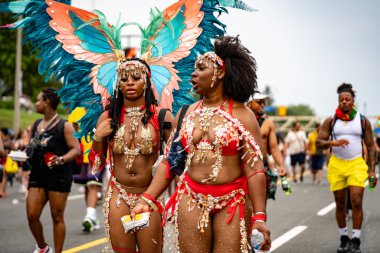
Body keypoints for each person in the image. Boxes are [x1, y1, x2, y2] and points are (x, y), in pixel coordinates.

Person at [132, 36, 271, 253]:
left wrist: (260, 216)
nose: (193, 74)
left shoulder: (243, 115)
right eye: (194, 69)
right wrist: (147, 198)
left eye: (201, 68)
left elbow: (254, 170)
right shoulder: (186, 113)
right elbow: (171, 162)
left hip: (232, 202)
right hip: (191, 198)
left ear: (221, 72)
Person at [90, 58, 174, 252]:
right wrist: (97, 138)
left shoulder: (162, 117)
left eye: (136, 78)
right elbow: (96, 165)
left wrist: (176, 200)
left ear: (146, 82)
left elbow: (175, 163)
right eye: (124, 78)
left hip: (149, 195)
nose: (129, 82)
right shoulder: (108, 117)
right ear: (117, 84)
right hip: (118, 194)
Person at [316, 83, 377, 253]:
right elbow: (318, 143)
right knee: (340, 203)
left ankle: (356, 239)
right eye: (341, 99)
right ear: (338, 101)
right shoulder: (330, 120)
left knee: (356, 200)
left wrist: (372, 171)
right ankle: (344, 238)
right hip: (336, 164)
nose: (344, 102)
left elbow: (371, 147)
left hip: (356, 164)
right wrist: (332, 142)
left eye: (347, 99)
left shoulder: (363, 121)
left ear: (353, 101)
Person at [26, 88, 81, 253]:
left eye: (38, 100)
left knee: (57, 217)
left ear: (46, 102)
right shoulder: (37, 125)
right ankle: (43, 247)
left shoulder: (64, 125)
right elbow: (31, 148)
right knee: (32, 215)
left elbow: (76, 149)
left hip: (59, 176)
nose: (36, 103)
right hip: (38, 174)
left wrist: (61, 159)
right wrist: (22, 155)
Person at [246, 93, 287, 199]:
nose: (263, 105)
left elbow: (274, 148)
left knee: (261, 202)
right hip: (244, 167)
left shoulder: (268, 124)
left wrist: (281, 165)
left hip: (262, 165)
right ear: (249, 103)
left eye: (264, 102)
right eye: (259, 102)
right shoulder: (240, 120)